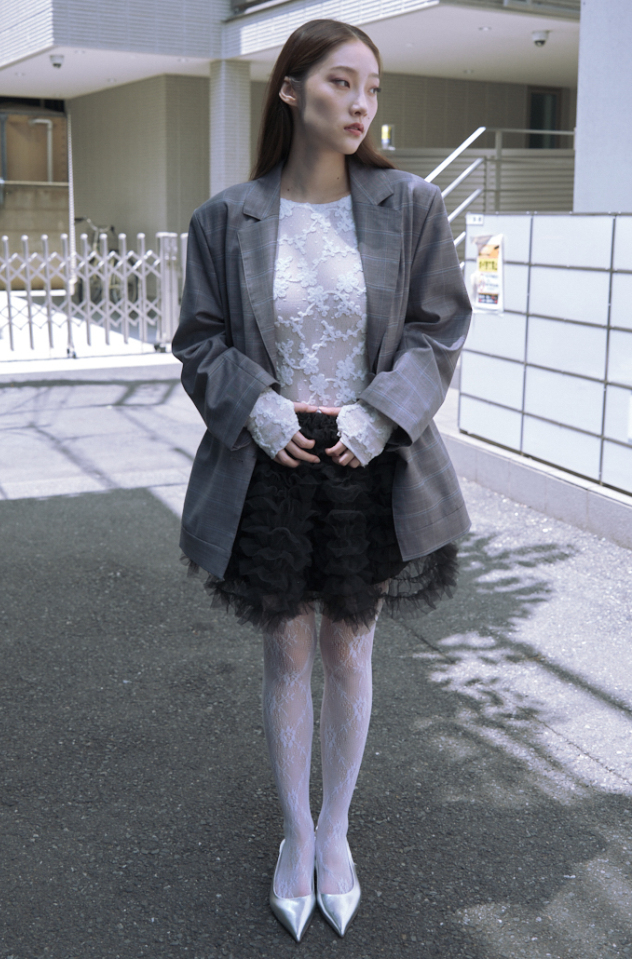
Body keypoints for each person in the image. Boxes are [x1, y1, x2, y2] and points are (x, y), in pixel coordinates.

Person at [172, 18, 471, 942]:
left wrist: (382, 413)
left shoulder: (410, 204)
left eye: (372, 88)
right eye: (342, 82)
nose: (361, 103)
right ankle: (294, 834)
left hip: (367, 457)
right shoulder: (226, 218)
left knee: (350, 653)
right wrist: (257, 407)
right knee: (288, 656)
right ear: (291, 88)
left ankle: (334, 831)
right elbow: (199, 342)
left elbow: (440, 328)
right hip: (274, 455)